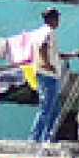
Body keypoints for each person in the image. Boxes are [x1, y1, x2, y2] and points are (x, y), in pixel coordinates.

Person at [29, 8, 70, 144]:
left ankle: (49, 139)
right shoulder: (48, 32)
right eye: (57, 18)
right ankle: (35, 138)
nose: (58, 21)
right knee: (46, 108)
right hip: (48, 75)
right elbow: (42, 48)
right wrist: (46, 64)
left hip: (47, 74)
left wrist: (72, 55)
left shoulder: (39, 32)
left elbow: (54, 55)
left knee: (54, 110)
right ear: (51, 19)